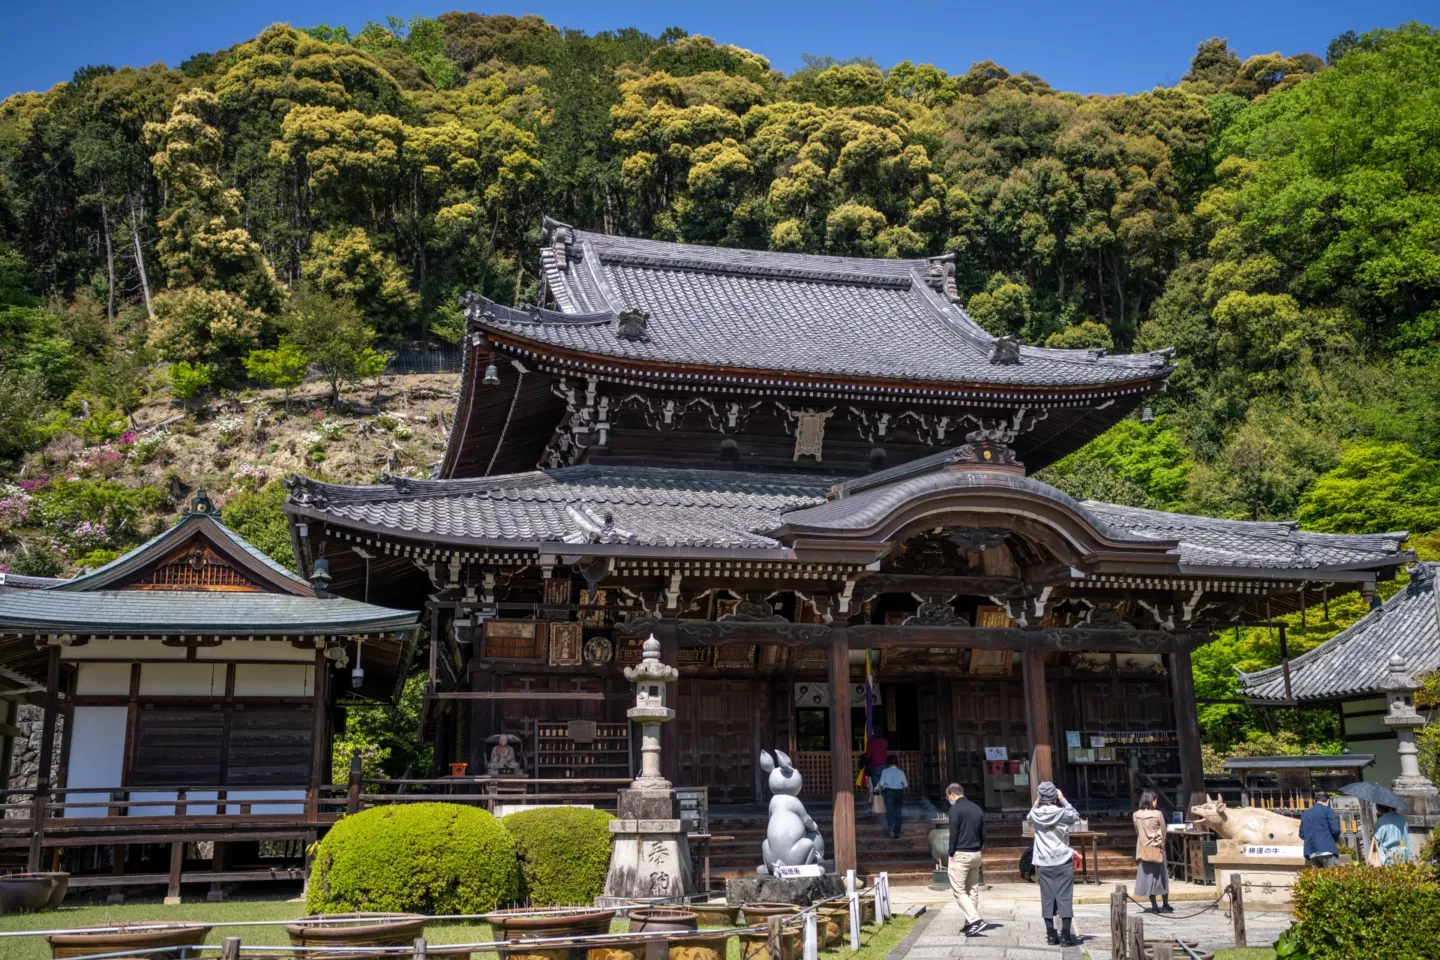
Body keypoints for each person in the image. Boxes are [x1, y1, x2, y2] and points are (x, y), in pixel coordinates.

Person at [1028, 781, 1081, 947]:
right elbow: (1075, 815)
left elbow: (1029, 816)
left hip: (1043, 862)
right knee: (1065, 897)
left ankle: (1051, 934)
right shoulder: (1062, 813)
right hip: (1062, 860)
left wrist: (1037, 801)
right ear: (1054, 796)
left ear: (1040, 797)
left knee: (1047, 897)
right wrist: (1063, 799)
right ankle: (1065, 936)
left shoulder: (1035, 815)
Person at [945, 783, 987, 937]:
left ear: (952, 794)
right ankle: (969, 924)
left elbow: (953, 833)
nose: (948, 799)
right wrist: (979, 847)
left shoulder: (955, 810)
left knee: (959, 890)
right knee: (972, 888)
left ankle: (976, 920)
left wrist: (951, 852)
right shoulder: (977, 809)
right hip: (976, 853)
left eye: (947, 796)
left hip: (961, 853)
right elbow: (983, 833)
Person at [1132, 791, 1172, 914]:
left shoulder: (1136, 814)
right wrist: (1161, 844)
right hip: (1157, 847)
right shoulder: (1158, 814)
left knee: (1148, 877)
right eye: (1155, 800)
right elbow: (1163, 831)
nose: (1156, 803)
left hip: (1143, 849)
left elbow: (1137, 831)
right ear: (1151, 800)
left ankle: (1154, 905)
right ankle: (1165, 903)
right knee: (1161, 876)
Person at [1299, 791, 1342, 868]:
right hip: (1327, 850)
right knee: (1334, 877)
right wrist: (1332, 840)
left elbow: (1301, 834)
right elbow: (1335, 830)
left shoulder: (1305, 813)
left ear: (1315, 800)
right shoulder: (1327, 811)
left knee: (1319, 879)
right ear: (1327, 801)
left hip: (1312, 853)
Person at [875, 758, 909, 838]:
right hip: (898, 793)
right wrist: (900, 785)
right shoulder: (901, 772)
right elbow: (906, 785)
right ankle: (897, 832)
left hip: (888, 792)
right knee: (897, 812)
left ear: (888, 763)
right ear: (897, 763)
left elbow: (882, 783)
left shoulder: (885, 771)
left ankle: (891, 827)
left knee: (890, 811)